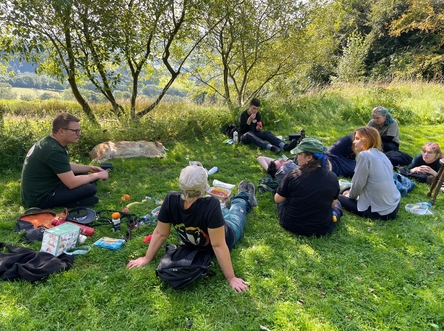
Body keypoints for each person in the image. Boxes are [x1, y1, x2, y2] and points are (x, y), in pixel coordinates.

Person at [126, 165, 258, 292]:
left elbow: (161, 233)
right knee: (236, 213)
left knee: (231, 211)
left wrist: (146, 258)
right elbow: (217, 245)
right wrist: (231, 278)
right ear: (204, 188)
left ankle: (243, 195)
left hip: (221, 229)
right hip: (228, 232)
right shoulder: (210, 204)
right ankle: (241, 198)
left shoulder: (171, 199)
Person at [20, 113, 109, 209]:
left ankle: (75, 199)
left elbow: (64, 166)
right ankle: (73, 203)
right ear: (61, 131)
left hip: (42, 188)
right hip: (40, 198)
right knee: (89, 188)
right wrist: (98, 175)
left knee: (84, 172)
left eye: (79, 130)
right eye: (75, 131)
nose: (79, 134)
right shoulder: (53, 150)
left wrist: (89, 168)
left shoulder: (51, 142)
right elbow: (72, 183)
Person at [274, 138, 342, 236]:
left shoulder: (293, 175)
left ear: (309, 158)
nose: (296, 156)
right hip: (321, 228)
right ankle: (335, 215)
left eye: (299, 154)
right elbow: (333, 203)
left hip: (291, 223)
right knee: (337, 204)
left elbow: (278, 199)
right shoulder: (332, 177)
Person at [338, 126, 400, 220]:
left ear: (365, 141)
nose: (354, 142)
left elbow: (358, 184)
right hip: (394, 206)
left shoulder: (364, 155)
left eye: (357, 139)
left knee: (336, 197)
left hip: (381, 212)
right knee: (347, 187)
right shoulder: (382, 155)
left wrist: (349, 196)